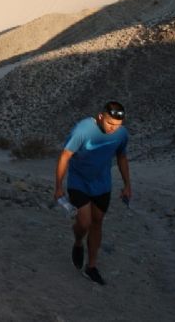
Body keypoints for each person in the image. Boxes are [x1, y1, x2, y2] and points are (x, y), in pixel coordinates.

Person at [54, 101, 131, 286]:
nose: (113, 128)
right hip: (79, 182)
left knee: (97, 221)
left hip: (103, 184)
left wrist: (128, 184)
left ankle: (92, 266)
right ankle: (78, 241)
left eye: (117, 125)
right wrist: (58, 186)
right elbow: (65, 156)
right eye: (110, 123)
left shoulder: (122, 134)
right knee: (84, 222)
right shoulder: (82, 130)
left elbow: (121, 156)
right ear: (100, 116)